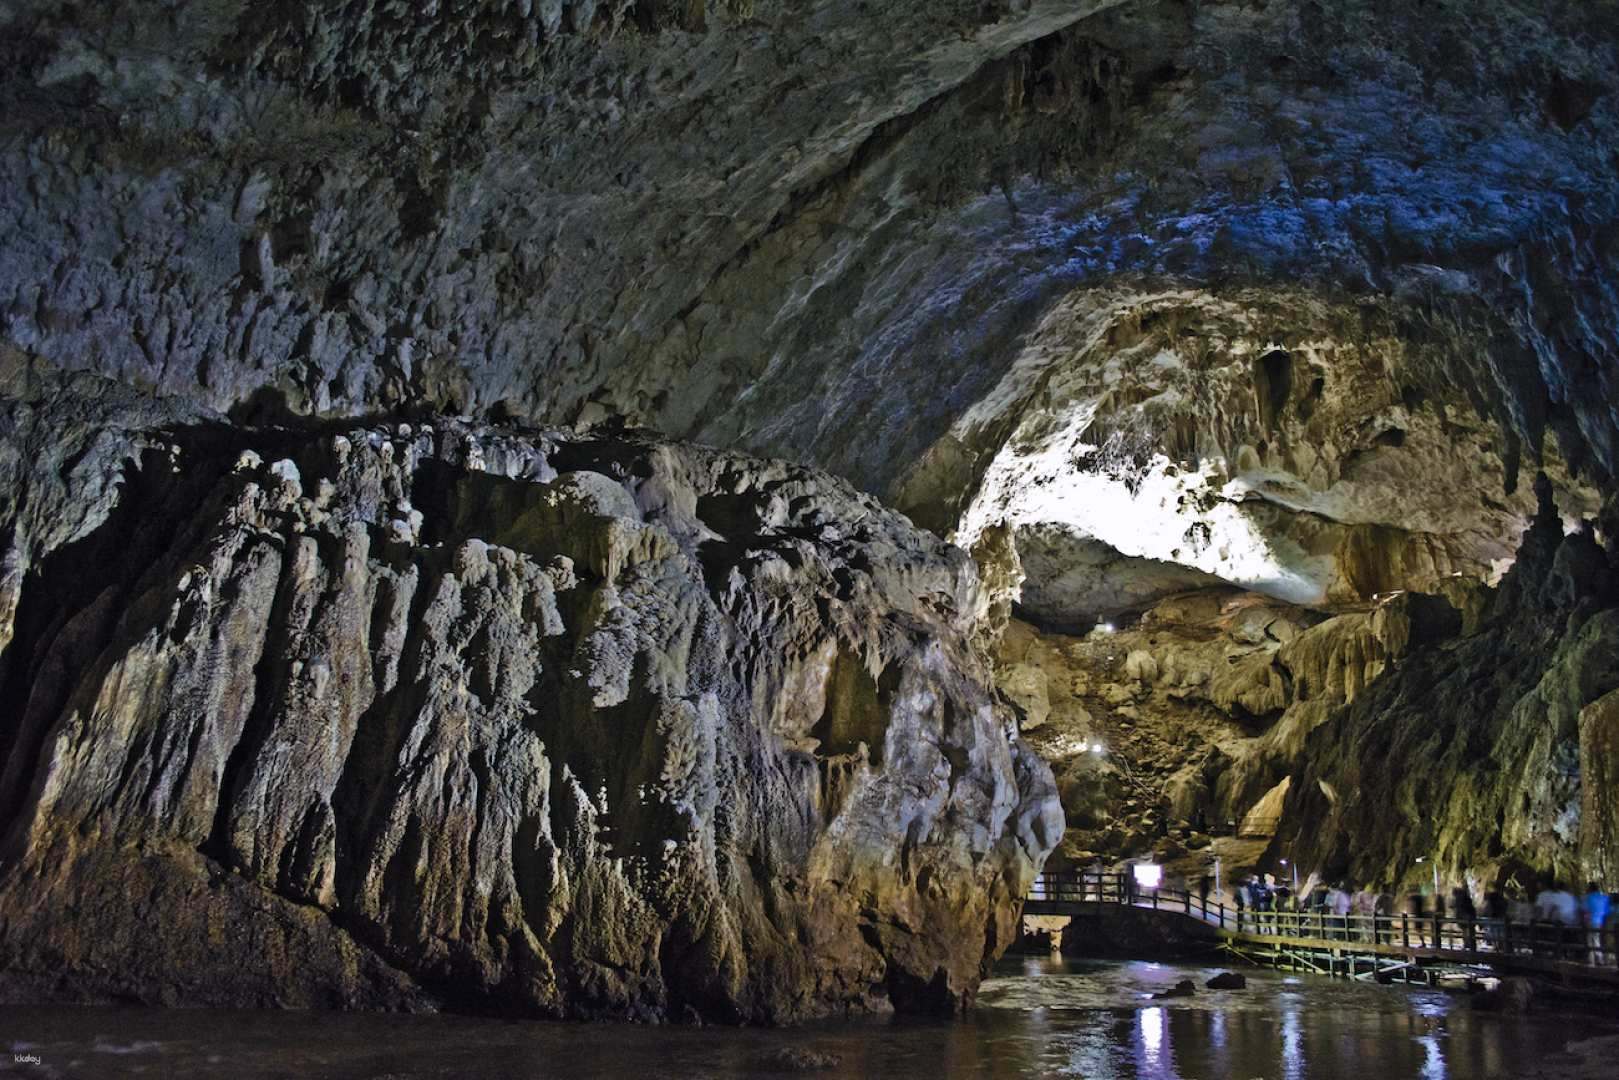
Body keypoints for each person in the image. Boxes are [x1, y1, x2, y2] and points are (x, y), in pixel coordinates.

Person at [1583, 883, 1610, 965]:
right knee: (1597, 939)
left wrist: (1585, 921)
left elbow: (1585, 911)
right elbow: (1607, 912)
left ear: (1590, 889)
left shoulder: (1587, 897)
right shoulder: (1604, 897)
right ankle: (1600, 959)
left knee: (1591, 940)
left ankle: (1592, 960)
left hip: (1591, 921)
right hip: (1601, 922)